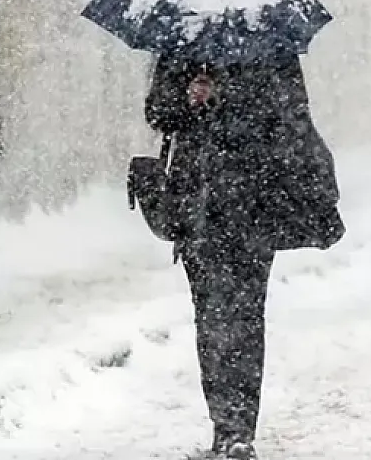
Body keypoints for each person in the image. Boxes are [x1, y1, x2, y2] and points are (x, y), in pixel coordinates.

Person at [145, 53, 344, 460]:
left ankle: (240, 428)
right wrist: (187, 98)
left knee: (246, 316)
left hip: (255, 206)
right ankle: (225, 422)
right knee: (211, 316)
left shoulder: (273, 52)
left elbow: (292, 119)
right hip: (197, 209)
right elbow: (157, 112)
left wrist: (229, 100)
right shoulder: (181, 49)